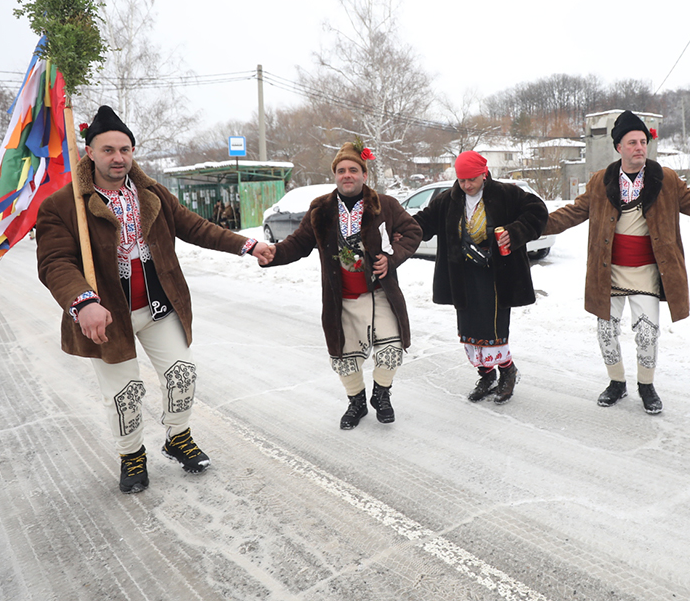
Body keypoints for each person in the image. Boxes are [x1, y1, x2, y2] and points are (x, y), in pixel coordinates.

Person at [36, 105, 275, 494]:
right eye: (109, 149)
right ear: (90, 152)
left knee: (183, 373)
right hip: (107, 317)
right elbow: (54, 262)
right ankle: (131, 456)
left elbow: (196, 227)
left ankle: (177, 437)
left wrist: (247, 245)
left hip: (158, 307)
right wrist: (83, 301)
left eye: (125, 149)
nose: (119, 158)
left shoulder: (153, 194)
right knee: (124, 394)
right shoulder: (64, 205)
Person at [543, 110, 690, 414]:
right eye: (632, 142)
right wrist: (533, 225)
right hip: (608, 273)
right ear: (619, 147)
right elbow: (572, 213)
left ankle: (646, 385)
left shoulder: (664, 178)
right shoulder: (601, 181)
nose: (639, 147)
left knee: (646, 333)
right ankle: (616, 383)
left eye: (643, 141)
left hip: (647, 273)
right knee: (605, 332)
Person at [260, 142, 422, 429]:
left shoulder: (385, 205)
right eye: (341, 170)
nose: (347, 175)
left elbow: (413, 231)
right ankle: (356, 402)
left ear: (364, 174)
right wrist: (274, 254)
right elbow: (298, 244)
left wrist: (392, 258)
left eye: (353, 170)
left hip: (380, 293)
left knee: (392, 348)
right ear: (335, 175)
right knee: (344, 357)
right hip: (342, 298)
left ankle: (381, 395)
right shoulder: (321, 208)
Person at [411, 151, 548, 404]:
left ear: (483, 174)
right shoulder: (447, 200)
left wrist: (516, 231)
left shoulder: (506, 193)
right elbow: (423, 222)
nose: (467, 185)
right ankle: (486, 375)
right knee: (469, 330)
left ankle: (507, 372)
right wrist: (401, 228)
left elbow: (537, 210)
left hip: (496, 276)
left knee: (493, 329)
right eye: (462, 181)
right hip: (462, 277)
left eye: (472, 180)